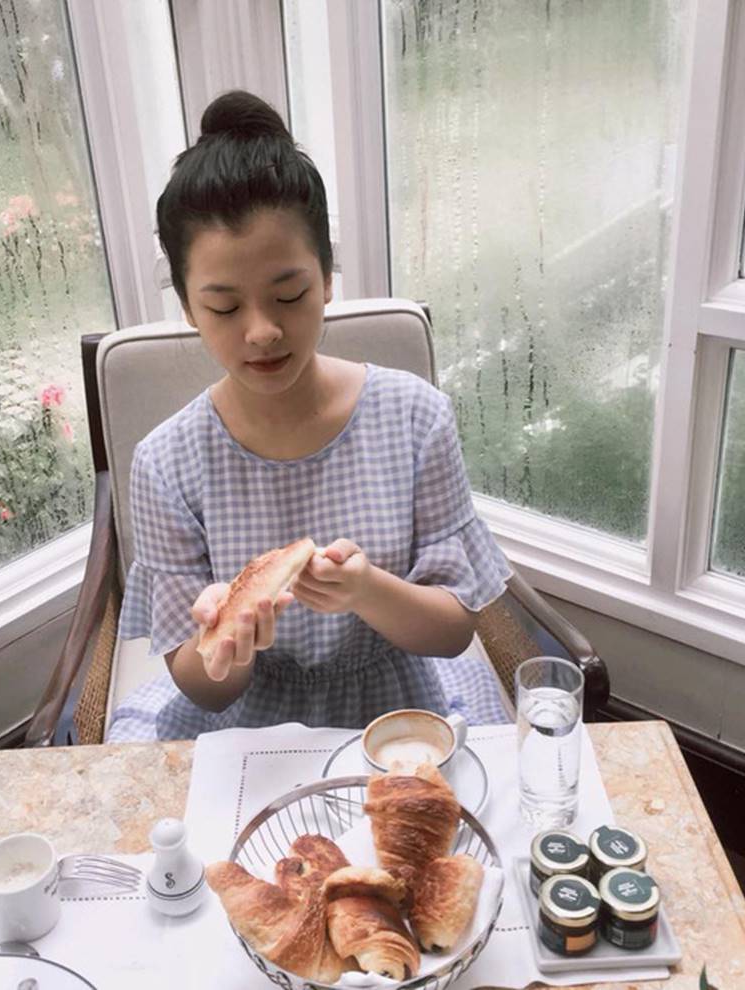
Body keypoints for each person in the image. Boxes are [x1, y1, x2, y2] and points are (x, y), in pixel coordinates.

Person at [107, 90, 513, 742]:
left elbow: (452, 629)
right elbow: (202, 687)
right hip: (243, 725)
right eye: (224, 307)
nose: (262, 331)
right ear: (186, 307)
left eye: (290, 294)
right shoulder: (165, 461)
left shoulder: (416, 417)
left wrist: (368, 591)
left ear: (326, 279)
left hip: (398, 710)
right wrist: (229, 640)